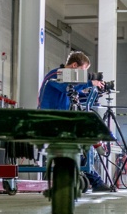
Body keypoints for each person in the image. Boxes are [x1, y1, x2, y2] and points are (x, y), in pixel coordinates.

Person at [37, 51, 112, 191]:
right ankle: (95, 182)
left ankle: (94, 180)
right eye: (83, 71)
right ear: (74, 65)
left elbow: (75, 94)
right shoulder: (56, 75)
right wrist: (90, 82)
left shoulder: (67, 81)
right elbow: (67, 88)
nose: (83, 76)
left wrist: (94, 90)